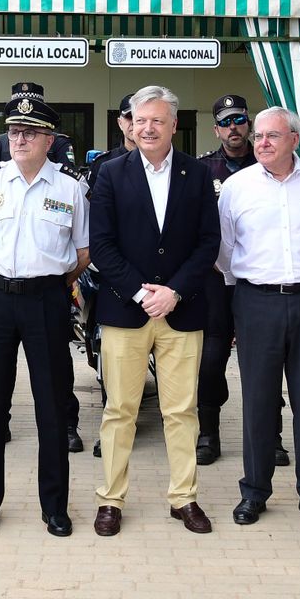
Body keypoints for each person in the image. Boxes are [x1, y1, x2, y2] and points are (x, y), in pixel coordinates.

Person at [89, 85, 220, 536]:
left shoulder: (197, 175)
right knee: (119, 410)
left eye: (157, 120)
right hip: (126, 311)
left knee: (181, 410)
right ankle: (111, 500)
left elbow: (208, 243)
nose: (148, 128)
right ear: (129, 123)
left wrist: (175, 292)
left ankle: (184, 498)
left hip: (182, 312)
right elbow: (102, 246)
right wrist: (141, 293)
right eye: (140, 119)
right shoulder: (109, 173)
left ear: (173, 125)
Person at [0, 94, 90, 536]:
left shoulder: (71, 187)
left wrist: (52, 281)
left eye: (29, 132)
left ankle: (54, 506)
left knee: (52, 407)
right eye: (14, 131)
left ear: (49, 140)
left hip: (47, 302)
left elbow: (83, 251)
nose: (18, 139)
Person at [218, 106, 300, 527]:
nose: (262, 143)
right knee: (258, 400)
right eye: (258, 137)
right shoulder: (237, 187)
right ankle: (254, 491)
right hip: (256, 302)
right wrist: (255, 286)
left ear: (295, 139)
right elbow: (226, 252)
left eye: (272, 136)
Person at [195, 93, 277, 467]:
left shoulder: (271, 165)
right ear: (216, 129)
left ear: (250, 124)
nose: (234, 129)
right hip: (213, 282)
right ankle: (208, 433)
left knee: (265, 361)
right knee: (210, 362)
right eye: (226, 122)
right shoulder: (201, 171)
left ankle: (271, 437)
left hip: (257, 281)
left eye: (239, 121)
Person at [0, 81, 75, 166]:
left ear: (48, 142)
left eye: (30, 133)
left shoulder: (59, 143)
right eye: (14, 132)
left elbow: (67, 178)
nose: (20, 141)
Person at [86, 93, 136, 187]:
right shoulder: (102, 163)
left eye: (140, 118)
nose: (134, 122)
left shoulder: (160, 162)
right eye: (129, 117)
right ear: (120, 123)